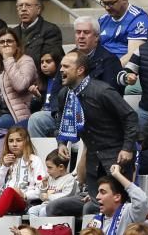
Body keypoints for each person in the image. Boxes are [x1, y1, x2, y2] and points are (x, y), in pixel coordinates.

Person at [52, 52, 138, 197]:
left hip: (116, 156)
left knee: (117, 205)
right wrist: (61, 142)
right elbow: (60, 120)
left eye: (66, 66)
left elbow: (130, 116)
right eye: (61, 66)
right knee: (92, 206)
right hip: (92, 160)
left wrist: (128, 148)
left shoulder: (102, 91)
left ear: (80, 70)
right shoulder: (64, 95)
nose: (61, 70)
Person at [84, 169, 148, 235]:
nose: (97, 197)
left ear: (117, 197)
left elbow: (142, 200)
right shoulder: (96, 221)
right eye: (98, 192)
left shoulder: (129, 213)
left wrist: (117, 174)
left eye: (102, 192)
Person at [97, 0, 148, 66]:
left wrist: (107, 70)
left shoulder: (139, 20)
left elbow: (133, 56)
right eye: (104, 3)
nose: (107, 8)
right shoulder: (103, 19)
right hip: (101, 65)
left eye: (111, 3)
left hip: (122, 69)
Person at [14, 0, 63, 70]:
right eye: (20, 6)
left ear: (38, 9)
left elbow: (47, 60)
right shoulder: (13, 33)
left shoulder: (51, 30)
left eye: (28, 5)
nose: (23, 9)